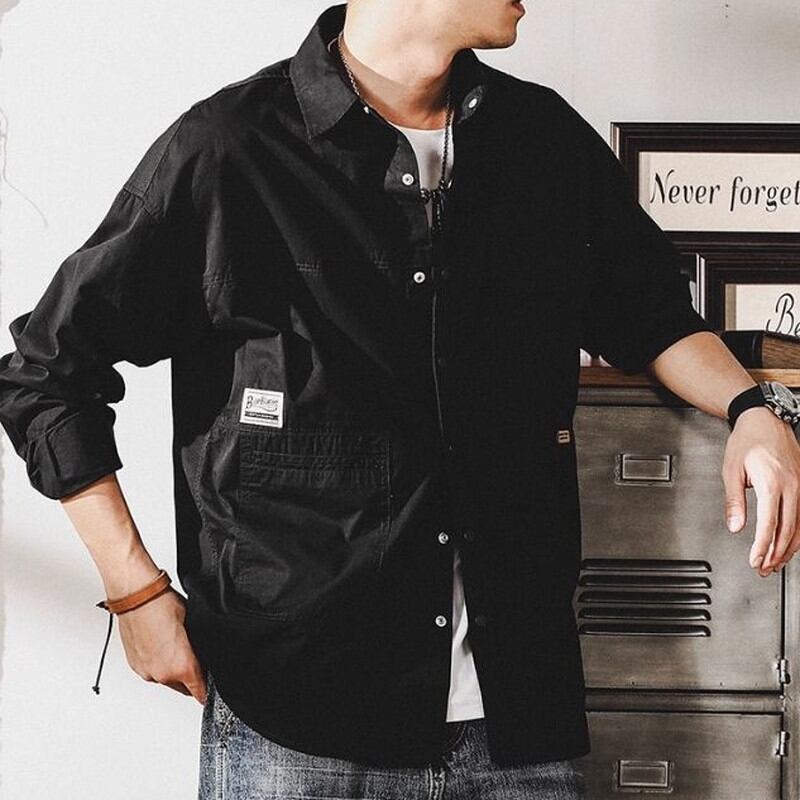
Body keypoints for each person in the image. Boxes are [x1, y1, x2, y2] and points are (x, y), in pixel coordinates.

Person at [2, 2, 800, 798]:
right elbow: (47, 374)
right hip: (297, 731)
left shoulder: (543, 142)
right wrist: (135, 595)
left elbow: (651, 318)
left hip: (518, 726)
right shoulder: (230, 150)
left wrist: (752, 411)